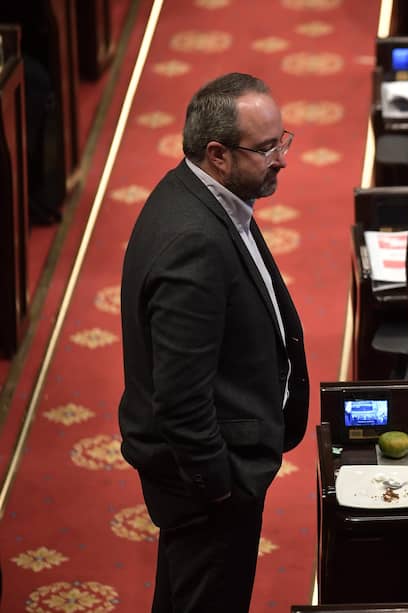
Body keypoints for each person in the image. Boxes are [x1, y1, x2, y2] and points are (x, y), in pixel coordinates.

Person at [119, 73, 309, 613]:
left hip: (215, 469)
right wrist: (220, 489)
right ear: (218, 153)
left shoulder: (203, 194)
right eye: (267, 148)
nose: (282, 159)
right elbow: (180, 398)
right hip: (210, 484)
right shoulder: (194, 243)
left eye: (283, 140)